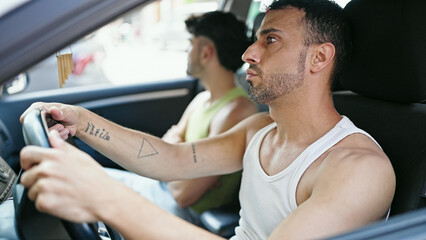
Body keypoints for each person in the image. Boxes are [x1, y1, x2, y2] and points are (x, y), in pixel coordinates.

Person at [7, 0, 396, 239]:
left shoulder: (358, 169)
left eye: (270, 40)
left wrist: (107, 198)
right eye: (255, 38)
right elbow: (171, 159)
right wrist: (80, 120)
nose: (248, 52)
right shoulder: (260, 131)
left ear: (319, 58)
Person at [104, 11, 256, 226]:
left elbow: (184, 195)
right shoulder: (202, 100)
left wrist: (169, 160)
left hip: (182, 213)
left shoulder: (236, 111)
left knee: (92, 188)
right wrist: (175, 165)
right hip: (160, 190)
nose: (187, 50)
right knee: (87, 175)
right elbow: (168, 144)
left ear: (206, 53)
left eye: (190, 44)